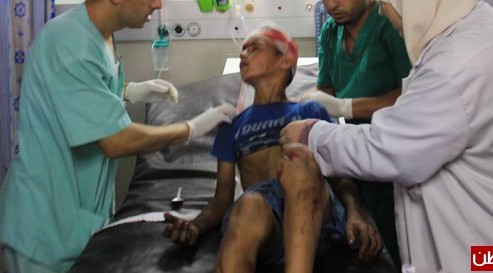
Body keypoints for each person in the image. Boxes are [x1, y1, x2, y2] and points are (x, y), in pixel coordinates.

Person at [280, 0, 493, 273]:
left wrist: (312, 134)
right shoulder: (487, 29)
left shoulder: (456, 66)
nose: (382, 13)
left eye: (384, 1)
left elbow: (391, 149)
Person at [0, 0, 236, 273]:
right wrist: (190, 129)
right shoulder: (70, 43)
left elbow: (83, 95)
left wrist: (129, 92)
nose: (158, 3)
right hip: (44, 231)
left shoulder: (102, 36)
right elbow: (116, 140)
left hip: (77, 220)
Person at [163, 23, 383, 273]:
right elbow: (222, 200)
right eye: (243, 49)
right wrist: (196, 225)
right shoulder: (232, 125)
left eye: (254, 48)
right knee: (248, 204)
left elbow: (340, 176)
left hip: (316, 213)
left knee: (299, 159)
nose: (243, 54)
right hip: (267, 222)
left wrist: (356, 213)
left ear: (285, 59)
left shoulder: (309, 110)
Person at [301, 0, 411, 269]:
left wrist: (345, 107)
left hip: (397, 155)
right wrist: (308, 108)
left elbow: (413, 95)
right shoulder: (330, 33)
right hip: (354, 157)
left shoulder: (390, 25)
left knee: (407, 250)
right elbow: (325, 92)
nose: (332, 3)